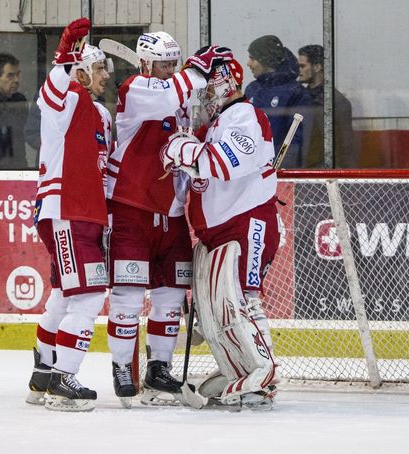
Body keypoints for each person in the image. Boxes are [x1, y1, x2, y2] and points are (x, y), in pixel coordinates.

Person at [104, 32, 232, 407]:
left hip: (171, 212)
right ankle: (121, 368)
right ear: (145, 63)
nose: (169, 70)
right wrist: (195, 69)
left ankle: (159, 366)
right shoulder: (137, 87)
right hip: (131, 207)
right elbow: (169, 95)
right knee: (128, 295)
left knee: (170, 297)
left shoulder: (179, 90)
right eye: (163, 63)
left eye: (174, 63)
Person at [160, 58, 280, 410]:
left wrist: (182, 149)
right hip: (220, 231)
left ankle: (264, 373)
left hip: (247, 222)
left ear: (227, 82)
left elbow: (222, 165)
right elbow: (177, 161)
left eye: (208, 85)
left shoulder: (244, 116)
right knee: (219, 310)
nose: (204, 93)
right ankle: (239, 369)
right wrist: (182, 148)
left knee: (244, 298)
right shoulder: (216, 124)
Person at [25, 18, 114, 412]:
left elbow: (105, 170)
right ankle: (64, 379)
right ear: (80, 70)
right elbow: (51, 93)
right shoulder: (68, 99)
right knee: (90, 294)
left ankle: (43, 374)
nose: (105, 77)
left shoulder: (100, 115)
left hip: (87, 215)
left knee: (63, 295)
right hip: (66, 211)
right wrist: (63, 55)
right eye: (98, 69)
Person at [245, 35, 311, 168]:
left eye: (253, 58)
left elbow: (295, 140)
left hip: (277, 171)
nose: (248, 63)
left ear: (265, 59)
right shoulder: (252, 89)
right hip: (250, 170)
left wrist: (280, 171)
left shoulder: (295, 92)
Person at [297, 44, 355, 168]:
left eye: (302, 66)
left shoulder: (336, 102)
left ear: (317, 67)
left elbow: (346, 146)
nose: (299, 70)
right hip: (303, 169)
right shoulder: (301, 97)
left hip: (323, 171)